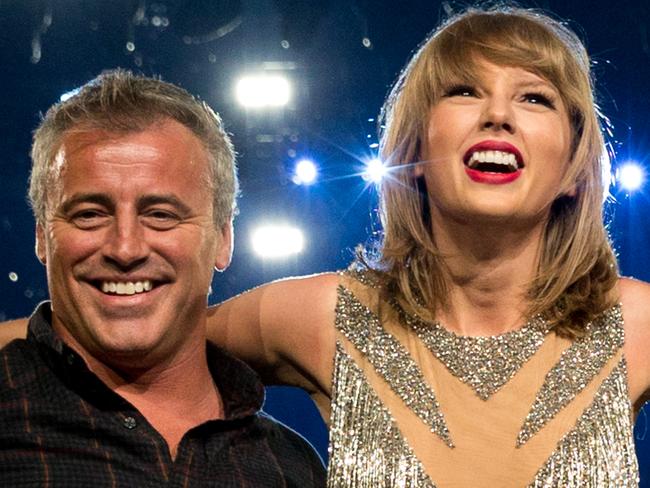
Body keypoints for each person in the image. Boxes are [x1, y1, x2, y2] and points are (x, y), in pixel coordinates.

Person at [3, 5, 650, 487]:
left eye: (534, 97)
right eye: (463, 90)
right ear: (414, 150)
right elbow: (120, 329)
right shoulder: (319, 318)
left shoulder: (637, 325)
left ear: (575, 161)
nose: (498, 114)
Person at [0, 70, 326, 487]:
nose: (125, 248)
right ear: (42, 237)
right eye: (89, 214)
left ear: (223, 239)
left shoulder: (291, 467)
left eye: (161, 215)